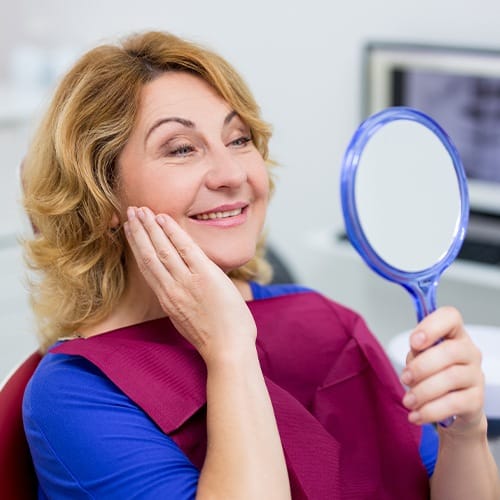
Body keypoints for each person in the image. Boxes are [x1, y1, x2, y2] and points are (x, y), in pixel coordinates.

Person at [21, 30, 499, 499]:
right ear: (101, 197)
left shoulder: (328, 324)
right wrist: (229, 349)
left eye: (239, 139)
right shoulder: (75, 395)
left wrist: (466, 433)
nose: (233, 175)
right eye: (181, 148)